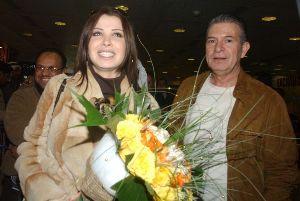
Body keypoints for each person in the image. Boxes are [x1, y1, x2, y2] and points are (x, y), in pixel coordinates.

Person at [15, 7, 157, 201]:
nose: (106, 41)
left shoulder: (146, 105)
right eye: (97, 33)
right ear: (86, 42)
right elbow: (32, 146)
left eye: (117, 34)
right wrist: (50, 195)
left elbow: (153, 173)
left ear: (128, 46)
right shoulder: (60, 88)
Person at [173, 14, 298, 201]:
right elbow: (172, 144)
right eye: (212, 41)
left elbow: (281, 173)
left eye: (228, 40)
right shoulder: (188, 87)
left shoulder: (267, 100)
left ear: (243, 49)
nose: (218, 48)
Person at [0, 48, 66, 201]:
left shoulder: (69, 99)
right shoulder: (22, 96)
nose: (44, 72)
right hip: (18, 176)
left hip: (58, 182)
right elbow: (18, 135)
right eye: (40, 67)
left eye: (51, 68)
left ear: (63, 72)